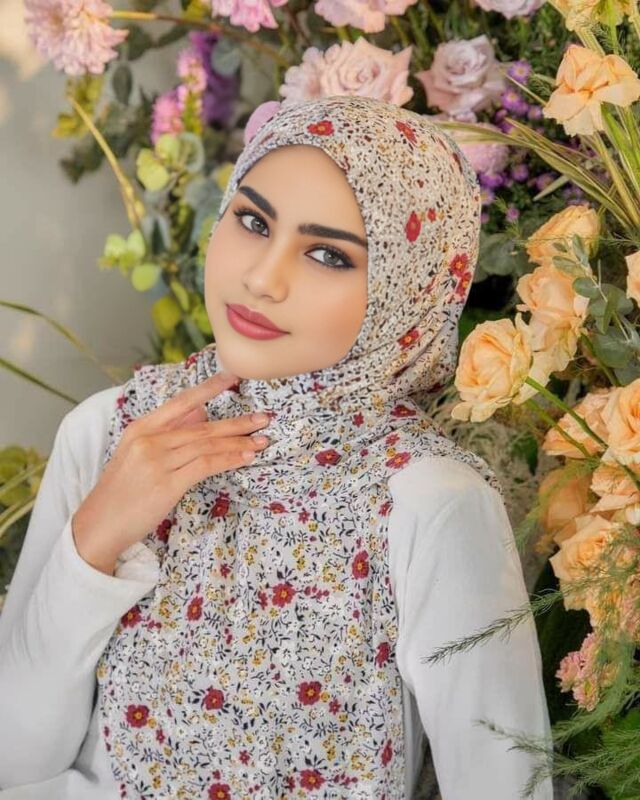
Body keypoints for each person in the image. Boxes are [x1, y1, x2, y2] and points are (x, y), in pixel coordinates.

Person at [0, 95, 554, 799]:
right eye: (254, 221)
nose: (262, 277)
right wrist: (95, 539)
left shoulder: (426, 502)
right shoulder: (113, 432)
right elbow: (13, 764)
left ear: (407, 291)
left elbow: (505, 786)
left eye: (328, 254)